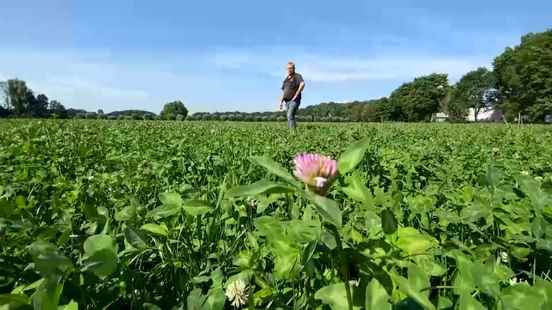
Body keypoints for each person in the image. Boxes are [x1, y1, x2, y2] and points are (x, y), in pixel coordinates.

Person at [279, 61, 305, 129]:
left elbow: (302, 84)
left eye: (291, 68)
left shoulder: (297, 76)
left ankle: (292, 132)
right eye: (288, 68)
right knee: (290, 116)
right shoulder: (286, 79)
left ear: (294, 68)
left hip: (294, 100)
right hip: (286, 101)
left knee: (289, 115)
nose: (289, 69)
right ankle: (293, 130)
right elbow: (284, 91)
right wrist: (281, 101)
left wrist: (296, 94)